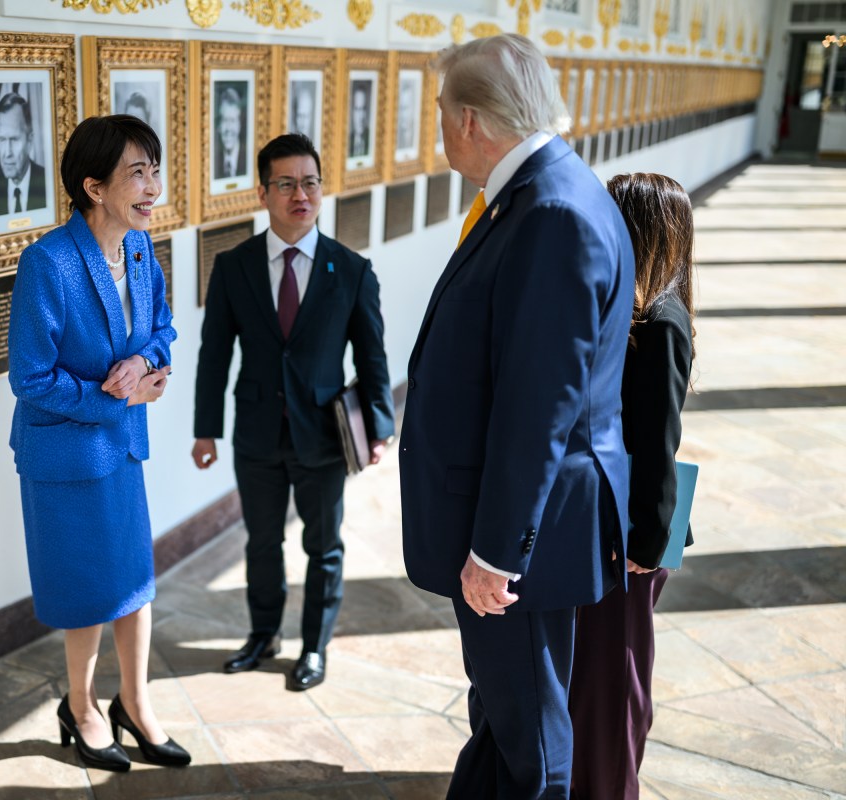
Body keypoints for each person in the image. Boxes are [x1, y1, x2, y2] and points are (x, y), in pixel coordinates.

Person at [400, 33, 634, 798]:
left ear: (469, 119)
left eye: (439, 112)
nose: (437, 128)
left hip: (522, 545)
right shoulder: (538, 194)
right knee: (502, 714)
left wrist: (500, 552)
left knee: (533, 739)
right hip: (518, 526)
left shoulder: (551, 212)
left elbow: (541, 404)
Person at [7, 114, 189, 773]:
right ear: (93, 186)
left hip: (122, 449)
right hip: (66, 456)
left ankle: (135, 705)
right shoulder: (48, 263)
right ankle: (81, 708)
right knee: (86, 592)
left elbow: (163, 328)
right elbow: (27, 376)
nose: (152, 186)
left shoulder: (140, 250)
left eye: (154, 169)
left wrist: (144, 365)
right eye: (137, 173)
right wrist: (113, 397)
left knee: (135, 582)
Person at [193, 133, 395, 692]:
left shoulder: (351, 270)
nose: (300, 194)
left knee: (323, 546)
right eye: (286, 184)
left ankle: (313, 647)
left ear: (320, 190)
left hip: (325, 436)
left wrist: (379, 426)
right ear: (263, 192)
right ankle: (262, 635)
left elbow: (372, 354)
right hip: (255, 433)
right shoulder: (233, 267)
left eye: (309, 182)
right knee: (261, 543)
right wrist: (205, 429)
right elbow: (215, 353)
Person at [569, 173, 696, 800]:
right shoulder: (632, 311)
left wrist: (646, 544)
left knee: (616, 682)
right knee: (598, 676)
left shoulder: (660, 322)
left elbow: (656, 446)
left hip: (633, 538)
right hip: (613, 525)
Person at [0, 92, 49, 216]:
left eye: (14, 139)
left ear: (29, 140)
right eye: (2, 139)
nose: (7, 152)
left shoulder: (49, 184)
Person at [213, 86, 247, 179]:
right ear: (218, 126)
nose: (228, 129)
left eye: (232, 120)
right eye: (224, 120)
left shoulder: (249, 159)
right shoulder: (212, 160)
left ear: (239, 124)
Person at [348, 84, 370, 158]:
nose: (361, 116)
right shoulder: (347, 142)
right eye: (357, 109)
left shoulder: (371, 140)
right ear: (351, 112)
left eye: (363, 109)